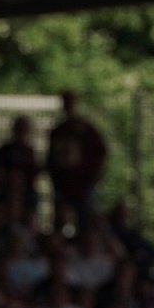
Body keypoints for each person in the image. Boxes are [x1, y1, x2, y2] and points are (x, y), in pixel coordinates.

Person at [46, 91, 108, 225]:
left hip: (84, 186)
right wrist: (56, 181)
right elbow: (51, 159)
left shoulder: (87, 129)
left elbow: (101, 152)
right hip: (64, 186)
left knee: (86, 221)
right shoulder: (59, 131)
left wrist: (94, 177)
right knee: (60, 221)